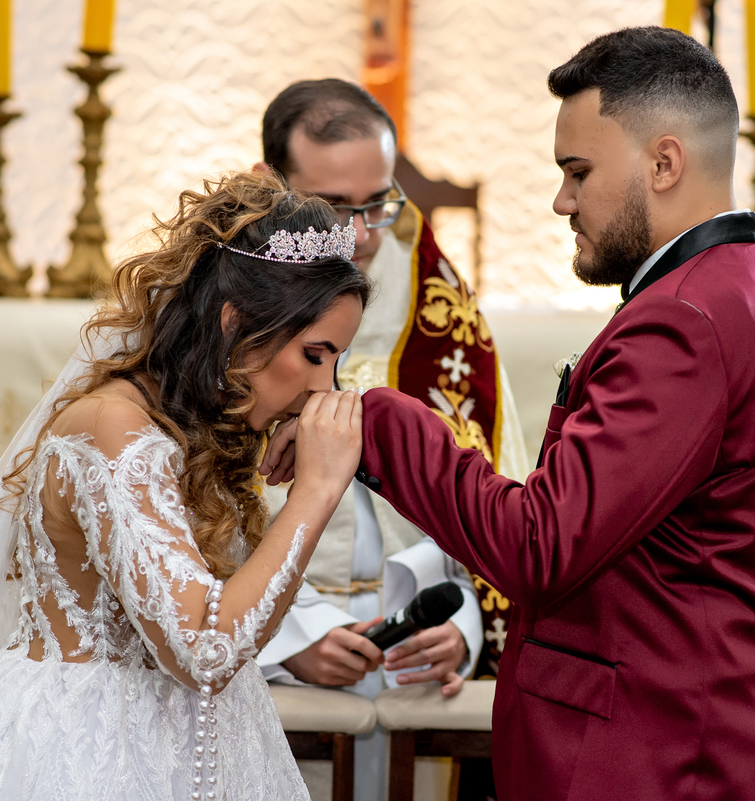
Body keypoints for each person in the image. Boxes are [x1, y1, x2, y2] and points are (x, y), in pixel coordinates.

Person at [264, 27, 755, 800]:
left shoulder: (684, 322)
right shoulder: (744, 288)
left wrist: (375, 423)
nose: (562, 200)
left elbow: (539, 545)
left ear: (664, 163)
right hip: (684, 733)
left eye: (578, 171)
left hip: (658, 757)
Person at [0, 171, 373, 801]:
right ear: (233, 324)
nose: (324, 388)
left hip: (193, 745)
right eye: (314, 354)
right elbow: (203, 650)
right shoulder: (112, 429)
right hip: (84, 752)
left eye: (336, 360)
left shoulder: (199, 430)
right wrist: (317, 491)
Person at [254, 80, 529, 800]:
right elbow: (178, 525)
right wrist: (288, 638)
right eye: (332, 207)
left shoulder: (439, 308)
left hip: (413, 682)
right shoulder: (219, 317)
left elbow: (492, 501)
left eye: (379, 202)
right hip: (263, 679)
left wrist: (464, 625)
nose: (362, 235)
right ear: (268, 184)